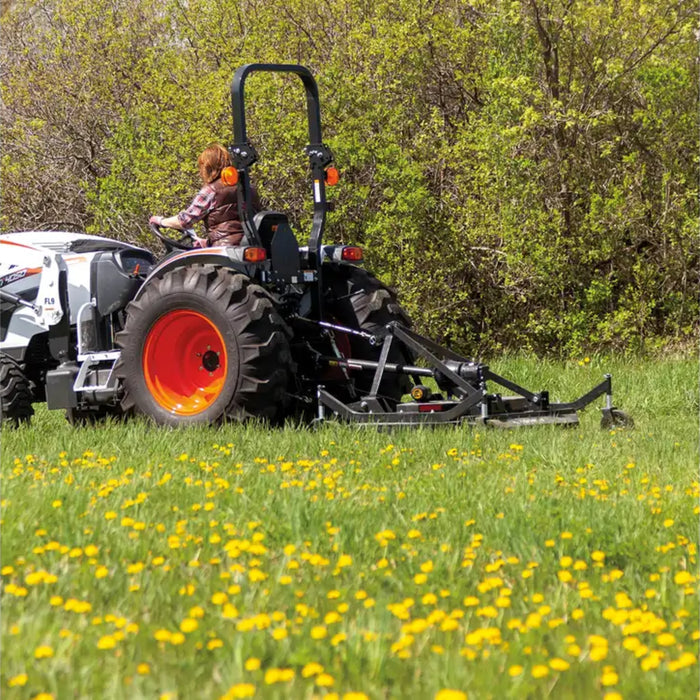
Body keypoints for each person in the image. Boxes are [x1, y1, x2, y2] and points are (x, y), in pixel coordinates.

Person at [149, 143, 259, 248]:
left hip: (225, 250)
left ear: (208, 167)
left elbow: (185, 221)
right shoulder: (250, 190)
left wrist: (161, 221)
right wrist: (206, 242)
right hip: (250, 246)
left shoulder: (211, 190)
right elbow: (238, 227)